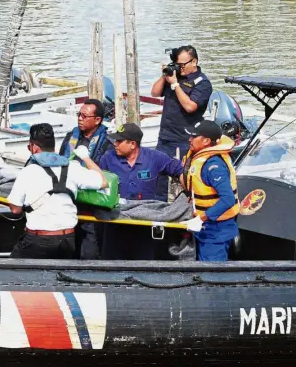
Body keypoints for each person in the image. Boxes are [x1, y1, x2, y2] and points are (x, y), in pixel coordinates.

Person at [7, 123, 108, 259]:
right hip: (68, 239)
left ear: (34, 147)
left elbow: (15, 210)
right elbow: (103, 182)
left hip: (39, 240)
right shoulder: (72, 167)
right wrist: (85, 157)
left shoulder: (28, 171)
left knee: (13, 271)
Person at [99, 123, 184, 260]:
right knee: (112, 264)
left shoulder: (154, 157)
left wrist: (187, 189)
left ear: (132, 144)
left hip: (143, 224)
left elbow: (177, 169)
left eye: (119, 141)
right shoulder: (108, 158)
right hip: (116, 222)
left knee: (144, 263)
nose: (115, 144)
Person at [151, 45, 213, 201]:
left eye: (183, 65)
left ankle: (188, 207)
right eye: (178, 64)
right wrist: (165, 75)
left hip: (187, 139)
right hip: (166, 136)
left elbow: (190, 106)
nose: (181, 68)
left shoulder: (202, 83)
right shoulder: (174, 75)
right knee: (159, 175)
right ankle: (158, 207)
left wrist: (175, 85)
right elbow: (155, 93)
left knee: (187, 177)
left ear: (194, 62)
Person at [59, 98, 114, 259]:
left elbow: (106, 172)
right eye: (79, 115)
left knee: (90, 251)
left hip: (93, 203)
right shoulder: (71, 136)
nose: (80, 118)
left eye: (84, 116)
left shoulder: (107, 142)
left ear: (97, 120)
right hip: (70, 201)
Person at [181, 121, 240, 261]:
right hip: (205, 227)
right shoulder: (200, 158)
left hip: (216, 230)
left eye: (194, 136)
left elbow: (228, 199)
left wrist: (201, 218)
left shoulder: (214, 166)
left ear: (207, 141)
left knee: (212, 274)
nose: (190, 139)